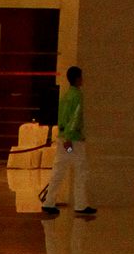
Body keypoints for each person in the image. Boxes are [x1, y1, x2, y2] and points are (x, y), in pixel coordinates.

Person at [41, 65, 95, 217]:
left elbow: (62, 118)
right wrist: (70, 138)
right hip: (73, 142)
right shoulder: (77, 96)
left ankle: (49, 202)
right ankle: (81, 204)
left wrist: (65, 137)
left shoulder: (65, 96)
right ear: (77, 78)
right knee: (80, 170)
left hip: (63, 140)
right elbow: (75, 117)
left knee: (59, 170)